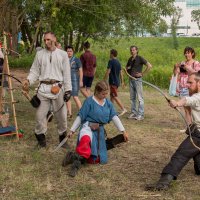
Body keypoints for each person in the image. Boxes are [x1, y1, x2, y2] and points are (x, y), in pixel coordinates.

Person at [146, 72, 200, 191]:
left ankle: (163, 183)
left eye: (190, 82)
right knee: (196, 153)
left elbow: (187, 99)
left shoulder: (198, 97)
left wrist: (177, 103)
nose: (187, 85)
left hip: (198, 136)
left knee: (180, 155)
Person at [62, 80, 128, 177]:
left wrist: (123, 131)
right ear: (97, 91)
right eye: (103, 94)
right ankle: (75, 166)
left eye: (106, 93)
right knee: (85, 141)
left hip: (99, 131)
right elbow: (80, 116)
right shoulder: (89, 101)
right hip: (87, 127)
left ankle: (72, 156)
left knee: (93, 160)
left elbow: (114, 117)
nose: (105, 96)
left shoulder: (108, 104)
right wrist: (72, 130)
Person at [22, 31, 72, 148]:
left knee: (62, 117)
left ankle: (62, 139)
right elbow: (34, 71)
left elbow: (67, 74)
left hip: (58, 88)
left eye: (48, 39)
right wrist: (28, 80)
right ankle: (41, 141)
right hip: (43, 89)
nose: (46, 42)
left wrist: (68, 90)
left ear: (54, 39)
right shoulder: (40, 54)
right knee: (40, 116)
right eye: (45, 40)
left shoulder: (63, 55)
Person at [173, 47, 200, 129]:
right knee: (186, 109)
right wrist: (175, 67)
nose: (186, 54)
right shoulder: (183, 62)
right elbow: (176, 74)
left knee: (193, 108)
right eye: (185, 53)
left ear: (192, 53)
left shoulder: (196, 63)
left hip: (192, 88)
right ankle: (189, 127)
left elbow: (197, 75)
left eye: (188, 53)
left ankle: (195, 127)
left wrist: (187, 67)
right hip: (183, 87)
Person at [126, 45, 152, 120]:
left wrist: (142, 74)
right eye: (131, 50)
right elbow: (127, 68)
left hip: (137, 80)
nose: (132, 51)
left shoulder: (140, 58)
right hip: (131, 79)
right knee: (132, 97)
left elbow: (149, 66)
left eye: (133, 50)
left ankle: (141, 114)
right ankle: (134, 113)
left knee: (140, 98)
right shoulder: (130, 59)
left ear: (137, 50)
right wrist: (128, 69)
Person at [104, 49, 127, 116]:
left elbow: (108, 71)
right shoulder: (118, 62)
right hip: (117, 82)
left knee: (114, 96)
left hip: (113, 82)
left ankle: (123, 109)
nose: (109, 55)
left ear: (112, 54)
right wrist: (122, 81)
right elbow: (121, 73)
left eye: (110, 53)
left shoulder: (111, 61)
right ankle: (110, 111)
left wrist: (104, 80)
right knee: (112, 97)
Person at [65, 45, 83, 118]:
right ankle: (69, 113)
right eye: (68, 51)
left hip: (75, 80)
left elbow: (81, 71)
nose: (69, 53)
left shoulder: (76, 60)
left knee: (75, 96)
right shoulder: (64, 59)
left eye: (70, 51)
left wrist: (81, 81)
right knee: (67, 96)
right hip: (66, 80)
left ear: (73, 52)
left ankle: (82, 113)